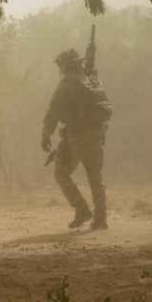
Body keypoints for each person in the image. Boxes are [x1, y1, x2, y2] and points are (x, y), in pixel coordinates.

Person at [42, 48, 112, 230]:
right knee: (95, 176)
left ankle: (82, 209)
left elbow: (53, 110)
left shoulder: (67, 84)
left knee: (61, 173)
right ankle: (100, 218)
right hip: (96, 134)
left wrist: (46, 133)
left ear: (64, 66)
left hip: (76, 135)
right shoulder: (92, 80)